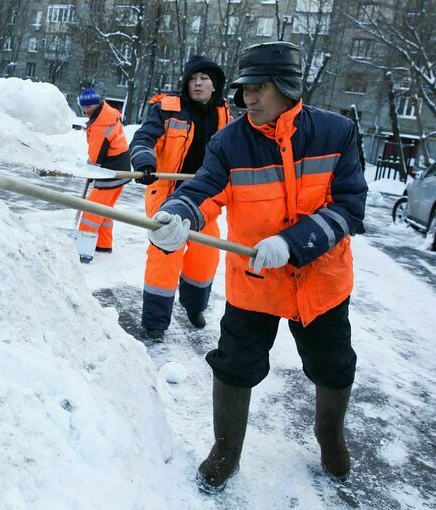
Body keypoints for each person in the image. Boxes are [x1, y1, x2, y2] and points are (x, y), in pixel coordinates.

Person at [146, 41, 368, 491]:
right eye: (245, 87)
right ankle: (226, 450)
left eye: (260, 87)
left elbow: (350, 207)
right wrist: (179, 215)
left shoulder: (336, 133)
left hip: (321, 281)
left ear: (287, 87)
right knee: (234, 365)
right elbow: (205, 189)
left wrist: (294, 242)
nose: (249, 97)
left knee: (333, 364)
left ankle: (330, 435)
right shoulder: (230, 142)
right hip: (255, 280)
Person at [129, 55, 231, 337]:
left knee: (206, 256)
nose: (198, 84)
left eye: (205, 79)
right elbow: (143, 138)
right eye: (193, 79)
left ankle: (194, 306)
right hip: (168, 194)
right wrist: (145, 163)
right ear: (185, 84)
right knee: (165, 255)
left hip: (206, 198)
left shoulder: (226, 115)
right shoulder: (167, 109)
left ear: (215, 85)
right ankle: (155, 322)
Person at [76, 88, 130, 261]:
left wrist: (90, 169)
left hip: (110, 173)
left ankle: (83, 251)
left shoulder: (100, 125)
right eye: (85, 107)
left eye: (89, 106)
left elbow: (96, 155)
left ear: (95, 104)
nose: (86, 110)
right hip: (119, 171)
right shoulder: (106, 114)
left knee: (92, 211)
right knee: (105, 211)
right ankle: (103, 245)